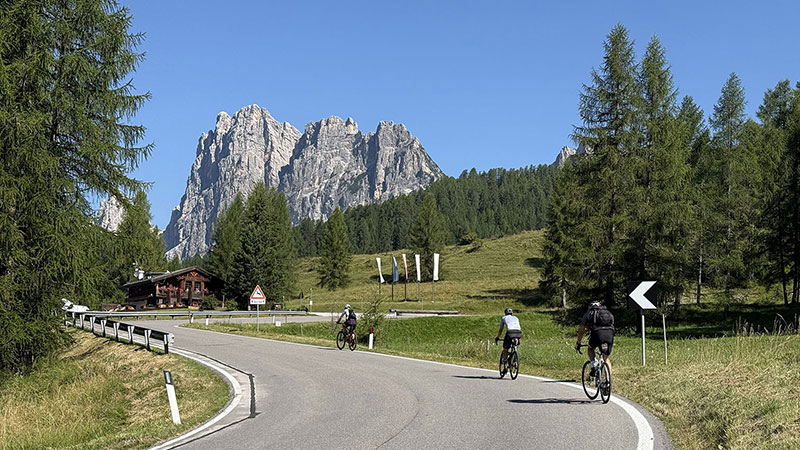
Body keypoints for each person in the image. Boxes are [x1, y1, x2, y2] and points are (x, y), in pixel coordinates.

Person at [575, 301, 614, 376]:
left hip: (597, 333)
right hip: (609, 333)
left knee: (590, 348)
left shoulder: (588, 313)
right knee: (606, 358)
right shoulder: (608, 313)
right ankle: (608, 382)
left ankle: (593, 364)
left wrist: (578, 342)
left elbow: (581, 331)